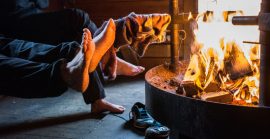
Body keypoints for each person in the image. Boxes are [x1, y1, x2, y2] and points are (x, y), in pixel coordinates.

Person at [0, 0, 171, 114]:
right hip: (10, 18)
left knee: (78, 21)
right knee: (77, 23)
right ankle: (82, 68)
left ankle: (102, 58)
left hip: (26, 13)